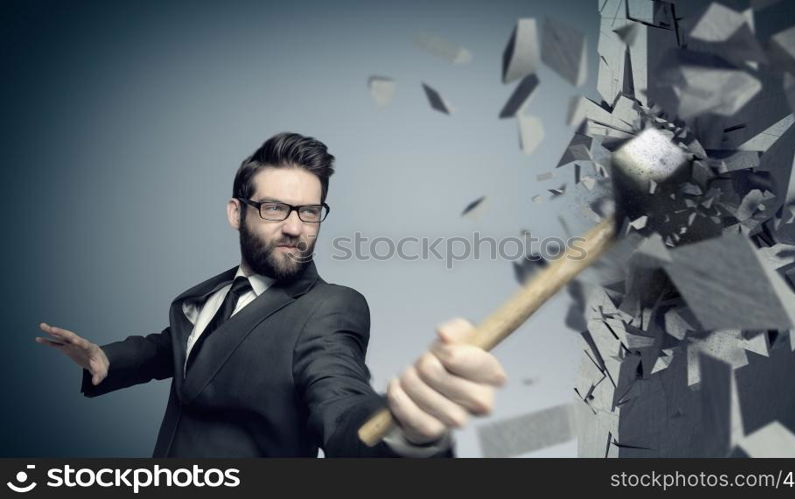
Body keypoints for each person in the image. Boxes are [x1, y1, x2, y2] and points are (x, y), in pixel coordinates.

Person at [36, 132, 506, 457]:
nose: (294, 228)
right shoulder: (210, 296)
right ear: (237, 213)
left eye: (309, 211)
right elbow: (174, 347)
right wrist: (107, 359)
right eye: (275, 208)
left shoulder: (330, 309)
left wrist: (405, 428)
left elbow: (340, 402)